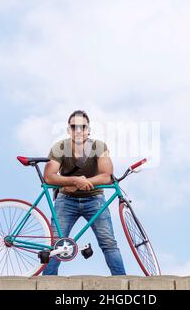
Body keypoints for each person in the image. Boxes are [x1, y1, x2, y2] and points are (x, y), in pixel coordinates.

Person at [42, 110, 126, 275]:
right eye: (74, 127)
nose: (78, 130)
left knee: (108, 242)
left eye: (82, 127)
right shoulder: (59, 147)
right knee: (56, 244)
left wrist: (81, 183)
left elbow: (106, 176)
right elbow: (49, 177)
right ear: (68, 130)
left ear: (89, 129)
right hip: (65, 200)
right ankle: (46, 282)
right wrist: (74, 180)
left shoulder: (99, 147)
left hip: (94, 199)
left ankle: (122, 281)